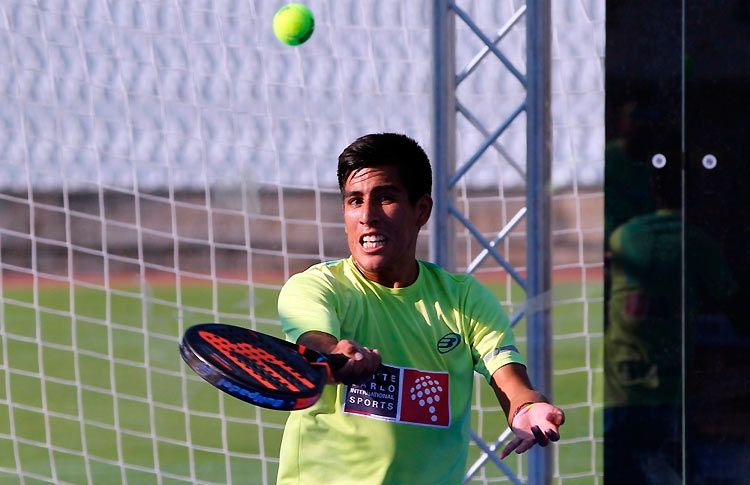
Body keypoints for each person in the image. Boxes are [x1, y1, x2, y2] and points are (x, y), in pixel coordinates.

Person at [276, 133, 565, 484]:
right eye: (354, 201)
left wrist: (526, 409)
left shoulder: (464, 299)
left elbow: (510, 380)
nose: (367, 216)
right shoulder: (316, 287)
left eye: (385, 198)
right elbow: (316, 341)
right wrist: (337, 356)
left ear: (421, 210)